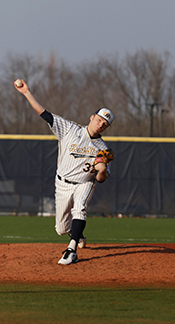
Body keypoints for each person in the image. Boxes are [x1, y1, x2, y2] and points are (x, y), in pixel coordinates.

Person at [14, 78, 114, 266]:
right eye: (99, 120)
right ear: (92, 117)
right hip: (62, 183)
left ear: (106, 128)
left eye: (105, 124)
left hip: (85, 183)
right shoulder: (69, 129)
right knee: (61, 228)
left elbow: (101, 179)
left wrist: (101, 170)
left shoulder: (103, 149)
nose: (100, 125)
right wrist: (27, 93)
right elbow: (44, 114)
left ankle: (72, 249)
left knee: (80, 209)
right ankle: (77, 233)